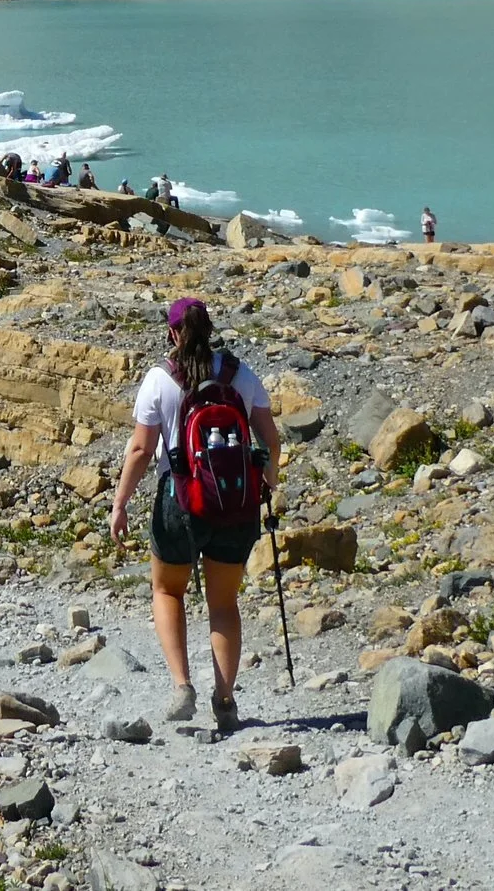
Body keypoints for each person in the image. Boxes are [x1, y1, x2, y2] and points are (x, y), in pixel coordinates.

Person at [108, 297, 283, 731]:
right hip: (235, 501)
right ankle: (224, 699)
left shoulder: (160, 379)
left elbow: (141, 450)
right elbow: (271, 441)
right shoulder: (240, 374)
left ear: (172, 333)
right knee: (224, 603)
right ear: (210, 330)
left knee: (168, 591)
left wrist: (120, 503)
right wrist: (267, 484)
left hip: (180, 498)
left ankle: (182, 685)